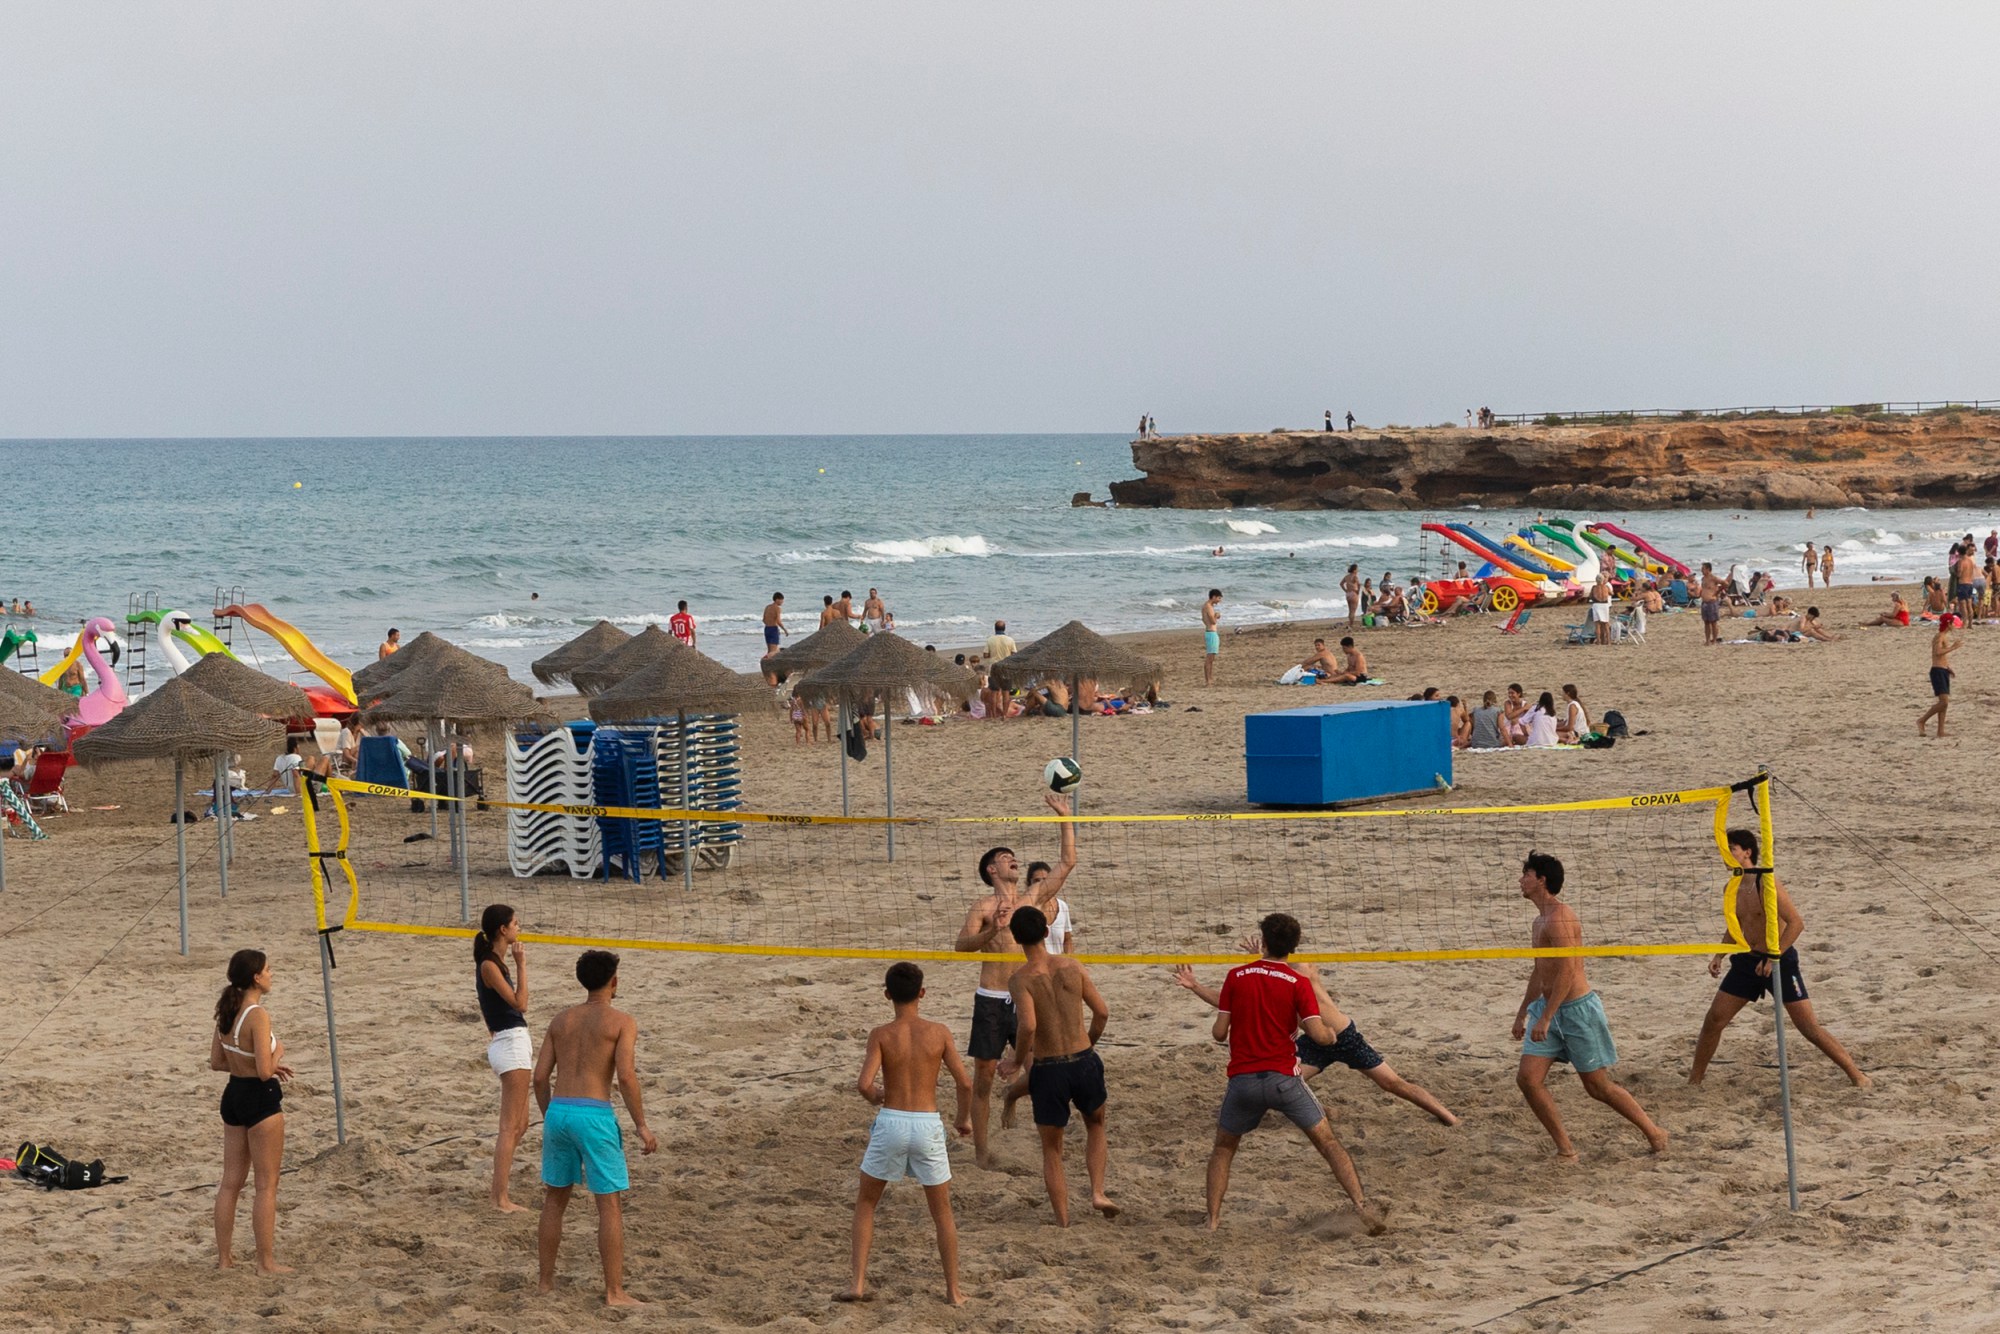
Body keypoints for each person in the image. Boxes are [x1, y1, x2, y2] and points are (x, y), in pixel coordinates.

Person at [1181, 912, 1384, 1233]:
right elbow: (1318, 1035)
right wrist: (1331, 1036)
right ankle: (1362, 1207)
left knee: (1223, 1148)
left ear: (1262, 941)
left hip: (1243, 1082)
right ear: (1295, 946)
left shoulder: (1237, 976)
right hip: (1284, 1081)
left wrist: (1206, 998)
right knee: (1329, 1143)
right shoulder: (1299, 983)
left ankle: (1213, 1221)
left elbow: (1219, 1034)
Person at [1513, 852, 1668, 1159]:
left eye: (1526, 874)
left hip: (1575, 1011)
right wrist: (1523, 1013)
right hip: (1548, 1009)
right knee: (1528, 1080)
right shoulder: (1538, 920)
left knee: (1597, 1087)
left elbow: (1569, 972)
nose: (1521, 880)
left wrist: (1546, 1017)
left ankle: (1654, 1132)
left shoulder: (1560, 918)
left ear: (1541, 880)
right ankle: (1566, 1149)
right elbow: (1540, 970)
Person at [953, 794, 1079, 1167]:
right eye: (1003, 856)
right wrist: (991, 930)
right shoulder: (983, 906)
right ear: (992, 870)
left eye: (1012, 856)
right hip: (992, 997)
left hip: (1027, 993)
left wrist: (1064, 817)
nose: (1012, 858)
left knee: (1042, 1071)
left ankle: (1045, 1142)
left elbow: (1068, 862)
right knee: (985, 1078)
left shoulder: (1032, 899)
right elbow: (961, 947)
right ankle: (982, 1154)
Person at [1688, 830, 1869, 1088]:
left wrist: (1774, 956)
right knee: (1714, 1020)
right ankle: (1694, 1081)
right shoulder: (1731, 887)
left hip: (1779, 960)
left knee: (1808, 1028)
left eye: (1732, 848)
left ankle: (1857, 1075)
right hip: (1747, 963)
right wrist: (1719, 954)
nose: (1726, 854)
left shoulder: (1768, 883)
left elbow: (1796, 924)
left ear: (1747, 852)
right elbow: (1736, 925)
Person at [841, 962, 973, 1305]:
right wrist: (962, 1120)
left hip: (892, 1121)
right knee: (941, 1211)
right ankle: (954, 1292)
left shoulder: (882, 1034)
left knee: (867, 1203)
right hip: (927, 1123)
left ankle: (857, 1283)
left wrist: (876, 1097)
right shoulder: (939, 1032)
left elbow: (864, 1084)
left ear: (887, 995)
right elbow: (965, 1082)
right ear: (923, 993)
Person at [533, 950, 657, 1307]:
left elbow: (540, 1077)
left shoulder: (561, 1020)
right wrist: (641, 1126)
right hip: (594, 1113)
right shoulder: (621, 1022)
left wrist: (550, 1115)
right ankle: (615, 1292)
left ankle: (545, 1283)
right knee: (609, 1205)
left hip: (559, 1111)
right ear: (614, 982)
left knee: (554, 1199)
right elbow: (626, 1076)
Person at [996, 906, 1115, 1224]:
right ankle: (1097, 1192)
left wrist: (1017, 1060)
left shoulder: (1020, 979)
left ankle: (1062, 1219)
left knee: (1052, 1150)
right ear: (1047, 932)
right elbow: (1102, 1013)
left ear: (1017, 939)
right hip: (1083, 1060)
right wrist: (1087, 1044)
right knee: (1096, 1126)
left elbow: (1029, 1026)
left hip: (1049, 1068)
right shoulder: (1071, 966)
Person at [210, 948, 293, 1274]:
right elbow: (263, 1070)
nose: (272, 974)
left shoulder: (226, 1011)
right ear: (256, 977)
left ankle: (224, 1260)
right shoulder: (256, 1015)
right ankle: (265, 1262)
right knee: (265, 1184)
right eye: (268, 970)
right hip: (260, 1098)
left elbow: (217, 1062)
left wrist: (249, 1062)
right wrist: (279, 1052)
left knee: (230, 1182)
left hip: (233, 1096)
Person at [475, 905, 533, 1212]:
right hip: (509, 1043)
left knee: (521, 1124)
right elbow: (520, 1003)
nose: (518, 928)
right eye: (515, 924)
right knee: (510, 1127)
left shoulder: (495, 963)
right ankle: (500, 1198)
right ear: (502, 930)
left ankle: (501, 1185)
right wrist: (522, 964)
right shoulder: (489, 965)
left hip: (510, 1040)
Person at [1918, 614, 1965, 738]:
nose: (1954, 625)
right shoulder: (1939, 637)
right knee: (1943, 703)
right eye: (1953, 623)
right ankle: (1922, 720)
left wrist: (1949, 668)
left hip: (1943, 670)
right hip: (1937, 671)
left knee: (1944, 703)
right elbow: (1937, 652)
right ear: (1948, 624)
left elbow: (1942, 656)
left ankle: (1940, 731)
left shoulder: (1943, 636)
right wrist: (1953, 647)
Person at [1698, 562, 1724, 646]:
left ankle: (1715, 640)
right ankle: (1707, 640)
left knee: (1713, 622)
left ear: (1708, 569)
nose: (1702, 570)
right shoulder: (1703, 578)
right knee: (1706, 622)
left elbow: (1725, 583)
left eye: (1703, 569)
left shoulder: (1713, 578)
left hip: (1712, 602)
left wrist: (1717, 593)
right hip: (1704, 602)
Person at [1201, 589, 1222, 686]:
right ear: (1213, 597)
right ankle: (1208, 680)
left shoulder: (1207, 606)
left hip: (1210, 632)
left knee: (1211, 658)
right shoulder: (1208, 606)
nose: (1219, 600)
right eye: (1218, 598)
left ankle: (1209, 679)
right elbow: (1213, 621)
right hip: (1211, 633)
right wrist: (1216, 615)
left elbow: (1204, 619)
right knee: (1209, 658)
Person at [761, 593, 788, 663]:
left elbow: (764, 619)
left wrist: (769, 624)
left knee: (770, 650)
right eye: (781, 600)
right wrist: (785, 630)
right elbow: (778, 621)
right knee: (773, 652)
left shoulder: (767, 607)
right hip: (773, 629)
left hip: (767, 629)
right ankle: (763, 661)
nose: (782, 602)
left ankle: (768, 665)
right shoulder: (777, 608)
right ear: (777, 600)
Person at [1589, 571, 1613, 645]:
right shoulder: (1606, 587)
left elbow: (1590, 596)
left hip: (1596, 605)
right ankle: (1608, 641)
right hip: (1604, 605)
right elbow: (1611, 593)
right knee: (1606, 623)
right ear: (1603, 580)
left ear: (1596, 580)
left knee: (1597, 624)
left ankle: (1599, 641)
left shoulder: (1594, 587)